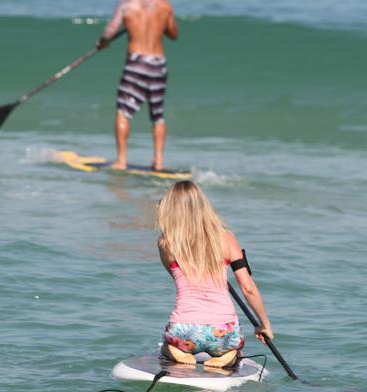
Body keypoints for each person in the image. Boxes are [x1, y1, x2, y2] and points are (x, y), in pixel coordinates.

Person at [156, 181, 274, 368]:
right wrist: (264, 324)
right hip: (223, 330)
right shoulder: (227, 238)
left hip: (184, 330)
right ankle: (228, 354)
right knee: (234, 348)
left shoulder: (166, 243)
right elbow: (248, 288)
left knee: (167, 347)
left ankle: (177, 352)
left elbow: (177, 278)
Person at [96, 0, 178, 171]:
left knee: (123, 111)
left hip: (136, 62)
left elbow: (110, 31)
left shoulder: (127, 5)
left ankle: (121, 160)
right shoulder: (165, 6)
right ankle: (159, 161)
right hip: (158, 63)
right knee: (157, 114)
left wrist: (103, 43)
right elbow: (173, 34)